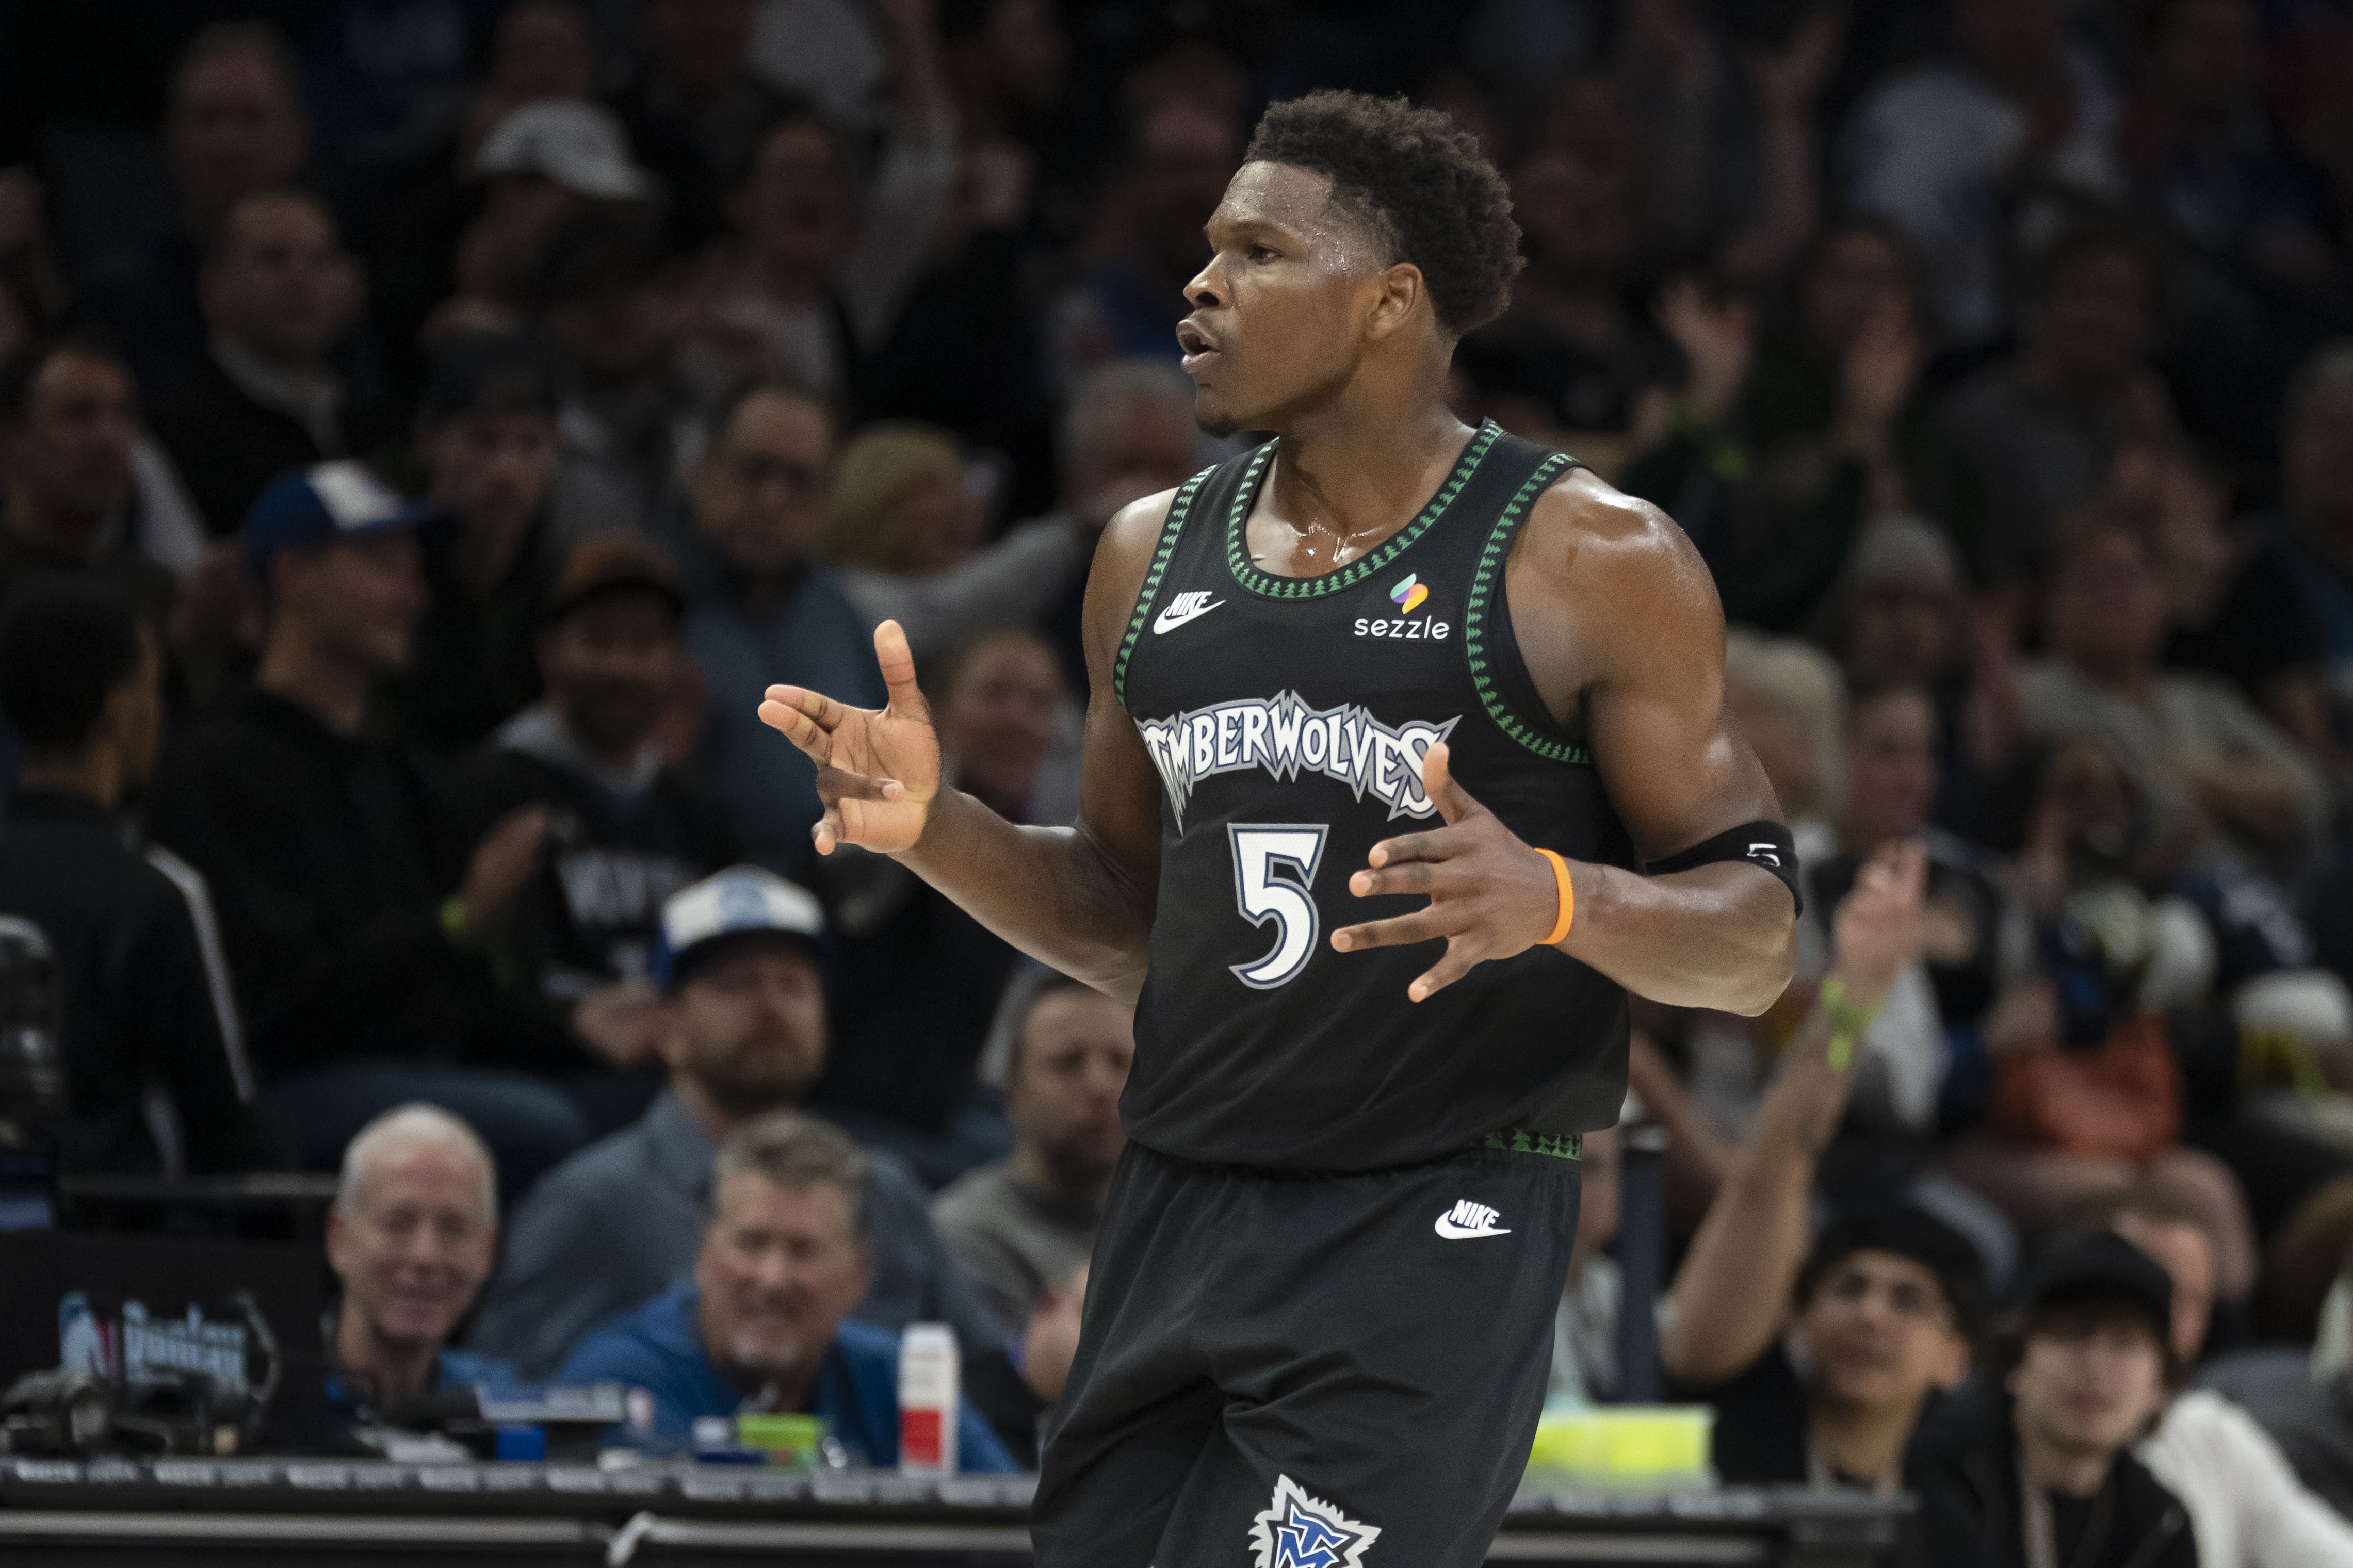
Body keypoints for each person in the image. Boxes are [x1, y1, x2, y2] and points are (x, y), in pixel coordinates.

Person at [759, 91, 1803, 1563]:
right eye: (1208, 249)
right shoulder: (1146, 553)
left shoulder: (1589, 556)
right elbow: (1128, 923)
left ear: (1389, 302)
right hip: (1175, 1205)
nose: (1201, 285)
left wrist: (1561, 899)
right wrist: (935, 829)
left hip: (1430, 1218)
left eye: (1256, 252)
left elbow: (1757, 944)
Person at [146, 462, 589, 1195]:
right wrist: (453, 927)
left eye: (415, 573)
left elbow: (459, 992)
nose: (413, 597)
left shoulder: (402, 770)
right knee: (546, 1129)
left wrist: (579, 1021)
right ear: (295, 575)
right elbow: (278, 1009)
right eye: (384, 566)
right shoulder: (219, 767)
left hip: (426, 1072)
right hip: (287, 1089)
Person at [465, 864, 999, 1378]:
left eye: (793, 984)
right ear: (667, 1026)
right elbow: (511, 1403)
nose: (770, 1006)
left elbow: (986, 1378)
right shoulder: (588, 1208)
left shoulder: (884, 1194)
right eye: (735, 983)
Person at [1663, 840, 1985, 1492]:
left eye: (1909, 1300)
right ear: (1799, 1324)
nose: (1869, 1316)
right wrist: (1849, 1004)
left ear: (1955, 1358)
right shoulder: (1737, 1408)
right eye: (1847, 1289)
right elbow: (1767, 1184)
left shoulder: (1953, 1510)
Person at [445, 531, 736, 1133]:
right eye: (599, 640)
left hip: (672, 1074)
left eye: (644, 643)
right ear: (548, 651)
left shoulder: (699, 813)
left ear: (677, 660)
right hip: (542, 1080)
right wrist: (566, 1021)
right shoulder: (486, 790)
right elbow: (452, 988)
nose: (621, 667)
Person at [560, 1109, 1014, 1468]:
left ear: (859, 1274)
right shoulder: (622, 1383)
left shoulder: (899, 1380)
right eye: (751, 1243)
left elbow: (1007, 1524)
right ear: (704, 1253)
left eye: (804, 1251)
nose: (773, 1278)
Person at [0, 575, 250, 1173]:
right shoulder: (156, 892)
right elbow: (221, 1120)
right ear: (120, 713)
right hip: (102, 1219)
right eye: (154, 690)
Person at [811, 626, 1068, 1182]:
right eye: (994, 694)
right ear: (936, 714)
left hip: (967, 1121)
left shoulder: (1048, 851)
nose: (1018, 719)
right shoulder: (888, 810)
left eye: (1039, 703)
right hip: (852, 1126)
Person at [673, 381, 883, 877]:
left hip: (825, 895)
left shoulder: (841, 616)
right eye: (754, 471)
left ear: (827, 502)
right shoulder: (648, 599)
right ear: (702, 472)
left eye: (799, 482)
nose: (772, 500)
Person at [2085, 1188, 2353, 1565]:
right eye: (2146, 1292)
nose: (2170, 1320)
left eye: (2192, 1299)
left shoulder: (2210, 1431)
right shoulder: (2027, 1447)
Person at [1840, 0, 2126, 348]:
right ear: (1958, 18)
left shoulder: (2097, 81)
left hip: (2090, 333)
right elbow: (1883, 250)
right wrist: (2000, 179)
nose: (2016, 23)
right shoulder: (1907, 110)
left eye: (2029, 7)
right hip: (1951, 340)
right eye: (1993, 10)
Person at [1906, 1231, 2196, 1568]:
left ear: (2159, 1382)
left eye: (2124, 1343)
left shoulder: (2161, 1521)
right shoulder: (1938, 1472)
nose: (2094, 1367)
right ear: (2018, 1358)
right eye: (2070, 1335)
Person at [72, 22, 311, 405]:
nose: (226, 143)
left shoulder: (334, 274)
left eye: (250, 117)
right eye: (206, 118)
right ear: (170, 136)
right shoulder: (125, 299)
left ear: (296, 136)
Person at [1938, 223, 2181, 587]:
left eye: (2123, 301)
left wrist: (2158, 443)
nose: (2102, 318)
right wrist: (2112, 502)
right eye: (2084, 294)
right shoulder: (1979, 418)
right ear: (2042, 303)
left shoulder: (2143, 415)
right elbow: (1992, 566)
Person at [149, 189, 380, 539]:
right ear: (215, 286)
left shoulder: (370, 417)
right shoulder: (180, 434)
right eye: (274, 259)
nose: (300, 279)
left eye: (318, 260)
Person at [390, 332, 566, 757]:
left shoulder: (561, 588)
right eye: (483, 440)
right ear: (428, 441)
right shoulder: (383, 577)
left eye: (531, 443)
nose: (506, 471)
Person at [933, 975, 1132, 1332]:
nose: (1100, 1086)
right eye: (1068, 1062)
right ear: (1010, 1091)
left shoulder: (1174, 1225)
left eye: (1121, 1062)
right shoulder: (963, 1234)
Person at [324, 1104, 519, 1433]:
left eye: (454, 1228)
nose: (425, 1256)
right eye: (397, 1224)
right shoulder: (261, 1395)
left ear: (489, 1251)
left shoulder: (503, 1410)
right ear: (338, 1238)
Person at [0, 339, 177, 630]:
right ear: (10, 441)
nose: (110, 438)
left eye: (123, 414)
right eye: (79, 414)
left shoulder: (156, 596)